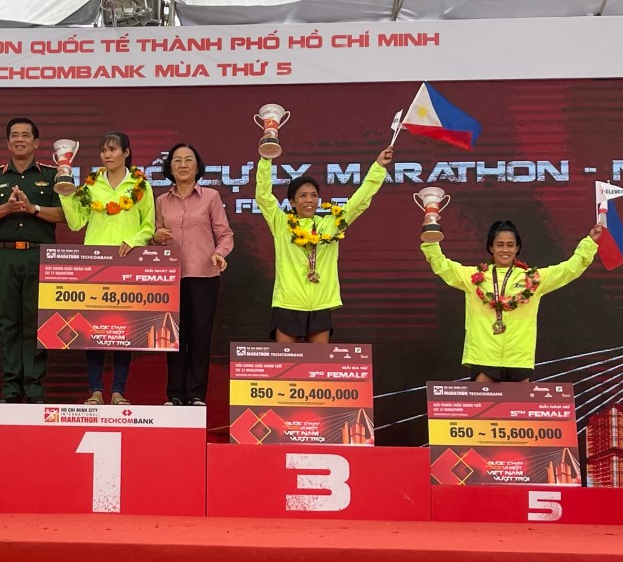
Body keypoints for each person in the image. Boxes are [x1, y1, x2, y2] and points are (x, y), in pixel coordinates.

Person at [423, 219, 603, 382]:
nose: (505, 250)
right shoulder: (474, 278)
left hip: (519, 358)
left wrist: (590, 242)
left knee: (519, 409)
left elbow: (568, 270)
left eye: (510, 245)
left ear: (517, 248)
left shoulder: (532, 279)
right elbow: (443, 266)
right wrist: (430, 233)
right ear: (491, 248)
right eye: (499, 245)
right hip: (483, 356)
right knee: (483, 409)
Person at [256, 145, 394, 343]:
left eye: (314, 195)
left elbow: (359, 201)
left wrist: (378, 167)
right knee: (284, 363)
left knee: (319, 363)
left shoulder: (331, 224)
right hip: (288, 303)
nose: (309, 200)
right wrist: (266, 159)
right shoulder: (281, 224)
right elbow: (263, 197)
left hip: (321, 304)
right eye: (303, 196)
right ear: (292, 202)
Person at [60, 131, 155, 405]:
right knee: (93, 330)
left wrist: (133, 241)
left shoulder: (141, 185)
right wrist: (65, 192)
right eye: (103, 150)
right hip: (95, 266)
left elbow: (149, 225)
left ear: (126, 152)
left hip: (127, 265)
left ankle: (118, 392)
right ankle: (95, 391)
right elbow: (76, 223)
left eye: (112, 149)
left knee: (124, 331)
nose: (107, 155)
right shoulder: (91, 184)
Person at [0, 118, 65, 404]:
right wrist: (7, 207)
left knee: (38, 322)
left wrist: (32, 208)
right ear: (7, 143)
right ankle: (12, 388)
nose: (19, 139)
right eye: (14, 135)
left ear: (36, 143)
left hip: (40, 255)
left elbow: (65, 215)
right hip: (4, 256)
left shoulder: (52, 175)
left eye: (26, 135)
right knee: (8, 323)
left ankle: (35, 388)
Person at [153, 143, 234, 406]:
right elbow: (155, 237)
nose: (183, 165)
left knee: (200, 336)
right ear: (170, 167)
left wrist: (219, 253)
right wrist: (156, 237)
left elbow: (225, 234)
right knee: (174, 337)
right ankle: (175, 394)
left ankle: (196, 394)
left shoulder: (211, 196)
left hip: (204, 277)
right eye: (177, 160)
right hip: (171, 278)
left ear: (198, 166)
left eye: (189, 160)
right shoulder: (161, 201)